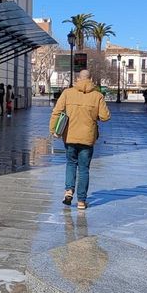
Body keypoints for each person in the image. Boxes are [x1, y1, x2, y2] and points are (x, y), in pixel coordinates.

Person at [49, 70, 111, 210]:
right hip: (87, 138)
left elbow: (56, 112)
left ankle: (68, 191)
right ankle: (82, 201)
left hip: (69, 136)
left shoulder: (67, 93)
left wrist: (53, 130)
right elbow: (105, 117)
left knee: (71, 163)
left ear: (78, 79)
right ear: (91, 79)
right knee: (84, 169)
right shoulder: (97, 96)